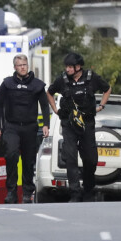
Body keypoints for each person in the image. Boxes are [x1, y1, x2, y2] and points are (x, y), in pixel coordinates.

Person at [46, 52, 111, 202]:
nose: (67, 69)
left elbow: (107, 89)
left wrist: (101, 106)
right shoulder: (62, 80)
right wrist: (55, 109)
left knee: (91, 159)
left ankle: (88, 189)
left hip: (87, 123)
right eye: (66, 67)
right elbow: (49, 93)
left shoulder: (91, 77)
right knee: (70, 157)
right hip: (69, 124)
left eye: (70, 67)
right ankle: (75, 192)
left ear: (78, 67)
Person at [0, 54, 50, 204]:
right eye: (20, 65)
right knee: (11, 155)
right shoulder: (7, 83)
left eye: (25, 64)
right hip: (11, 126)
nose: (23, 67)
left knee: (28, 161)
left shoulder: (37, 84)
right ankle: (11, 191)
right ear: (15, 67)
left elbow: (44, 105)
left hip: (30, 127)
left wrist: (46, 124)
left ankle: (27, 191)